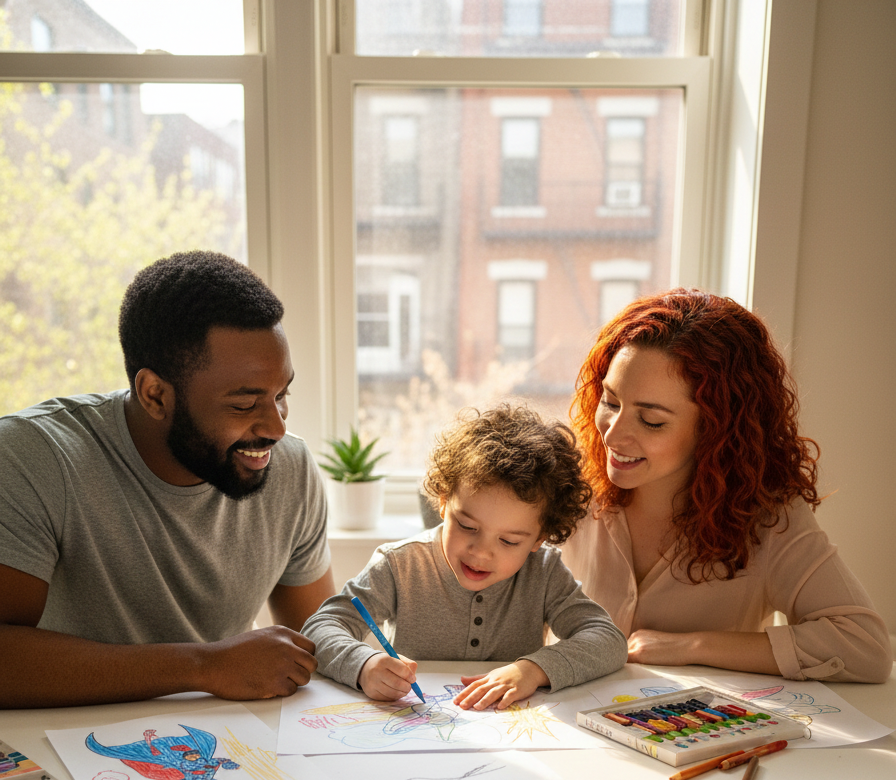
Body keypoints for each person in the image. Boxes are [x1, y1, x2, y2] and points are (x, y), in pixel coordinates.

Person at [0, 250, 336, 709]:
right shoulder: (35, 457)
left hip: (227, 752)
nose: (276, 427)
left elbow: (318, 639)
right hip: (65, 750)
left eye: (282, 394)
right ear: (155, 395)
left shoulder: (289, 468)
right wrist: (204, 666)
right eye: (244, 404)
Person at [563, 288, 891, 683]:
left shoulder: (768, 520)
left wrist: (692, 647)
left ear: (716, 430)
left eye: (651, 421)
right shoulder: (568, 483)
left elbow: (865, 649)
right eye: (611, 402)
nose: (613, 436)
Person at [303, 404, 628, 709]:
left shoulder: (544, 572)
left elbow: (608, 640)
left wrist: (533, 670)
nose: (481, 552)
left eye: (509, 541)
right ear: (443, 502)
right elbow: (321, 627)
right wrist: (364, 664)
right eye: (467, 526)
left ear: (538, 539)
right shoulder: (398, 565)